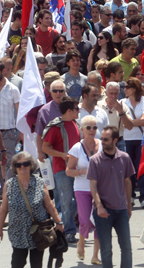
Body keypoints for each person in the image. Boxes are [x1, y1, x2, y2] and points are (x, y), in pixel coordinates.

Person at [0, 151, 64, 268]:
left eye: (25, 163)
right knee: (17, 263)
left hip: (38, 232)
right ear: (15, 167)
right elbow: (3, 209)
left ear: (31, 165)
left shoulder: (39, 182)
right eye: (18, 164)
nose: (22, 167)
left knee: (36, 264)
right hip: (17, 232)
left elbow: (49, 205)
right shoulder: (9, 184)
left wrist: (59, 222)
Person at [87, 126, 134, 268]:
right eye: (101, 139)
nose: (102, 141)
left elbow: (127, 182)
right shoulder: (94, 160)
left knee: (126, 248)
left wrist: (129, 206)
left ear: (115, 140)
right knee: (106, 250)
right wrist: (99, 206)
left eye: (105, 139)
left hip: (121, 210)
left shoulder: (124, 158)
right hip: (103, 211)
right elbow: (93, 185)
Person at [41, 96, 81, 242]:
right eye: (77, 109)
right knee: (65, 200)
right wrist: (62, 155)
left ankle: (63, 223)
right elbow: (45, 147)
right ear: (69, 111)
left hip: (78, 169)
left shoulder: (76, 123)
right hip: (62, 169)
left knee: (79, 198)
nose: (79, 111)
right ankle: (69, 231)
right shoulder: (56, 126)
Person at [66, 115, 102, 264]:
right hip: (82, 188)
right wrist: (83, 171)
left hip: (100, 188)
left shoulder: (101, 145)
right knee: (85, 221)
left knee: (100, 221)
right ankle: (81, 241)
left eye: (94, 127)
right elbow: (69, 171)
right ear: (82, 129)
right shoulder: (76, 148)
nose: (92, 130)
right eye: (88, 127)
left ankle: (95, 255)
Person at [0, 60, 20, 181]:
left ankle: (9, 188)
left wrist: (20, 131)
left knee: (9, 161)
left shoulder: (13, 89)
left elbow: (19, 111)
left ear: (3, 71)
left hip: (9, 130)